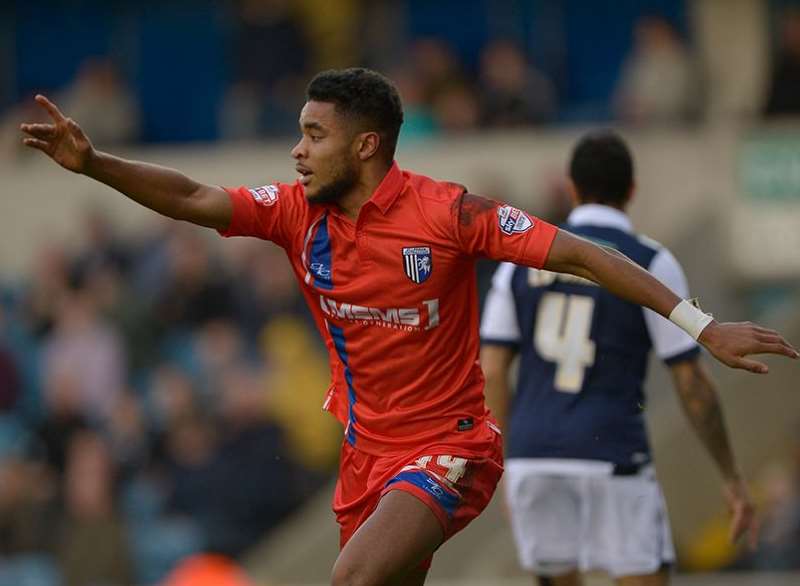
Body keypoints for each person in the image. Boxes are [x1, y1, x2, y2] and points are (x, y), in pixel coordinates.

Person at [20, 68, 797, 586]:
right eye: (298, 133)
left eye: (313, 136)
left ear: (365, 146)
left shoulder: (447, 214)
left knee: (348, 581)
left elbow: (584, 255)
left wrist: (699, 324)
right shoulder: (296, 214)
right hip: (365, 457)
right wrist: (95, 165)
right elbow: (192, 197)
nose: (296, 151)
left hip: (452, 447)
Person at [479, 130, 762, 586]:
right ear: (631, 192)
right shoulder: (650, 262)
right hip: (613, 451)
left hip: (534, 458)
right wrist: (730, 475)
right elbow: (691, 383)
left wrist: (509, 464)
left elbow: (491, 370)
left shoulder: (519, 263)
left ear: (572, 189)